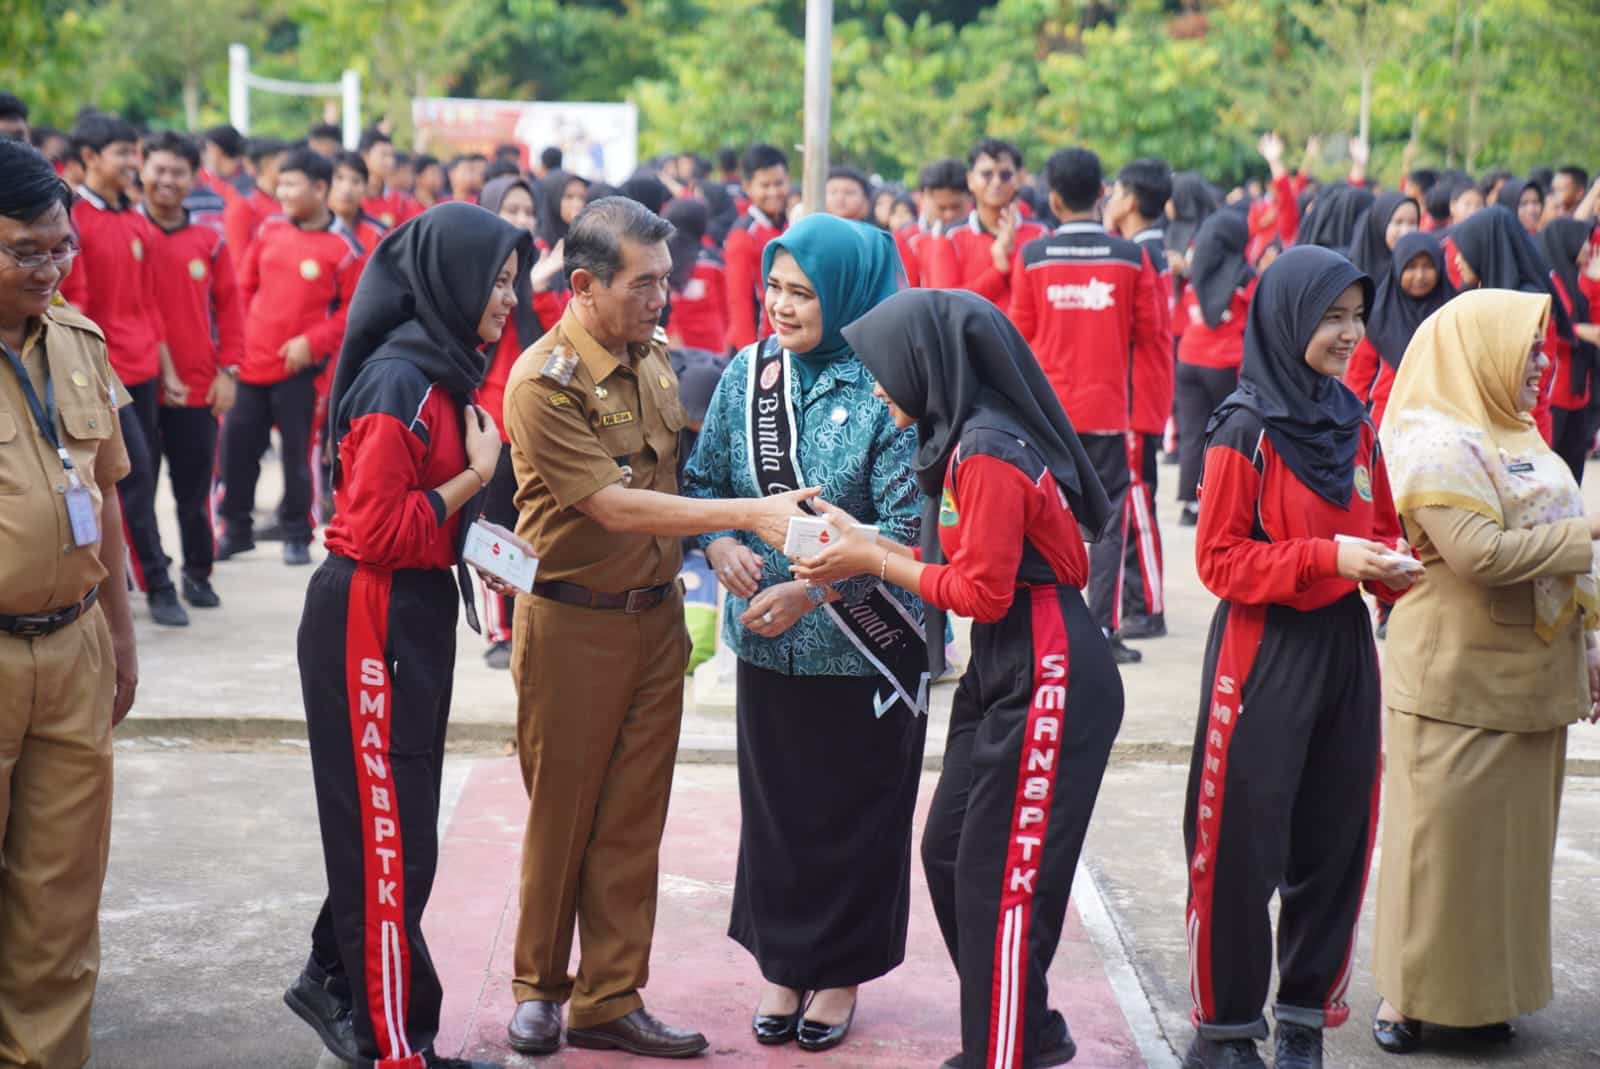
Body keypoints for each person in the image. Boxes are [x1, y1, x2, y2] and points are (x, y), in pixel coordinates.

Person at [500, 197, 816, 1059]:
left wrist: (716, 535)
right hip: (571, 624)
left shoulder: (655, 360)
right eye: (644, 284)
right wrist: (748, 514)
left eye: (666, 282)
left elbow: (677, 474)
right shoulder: (543, 379)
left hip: (653, 624)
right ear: (585, 284)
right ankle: (538, 988)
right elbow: (611, 503)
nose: (661, 299)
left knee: (635, 821)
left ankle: (609, 997)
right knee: (561, 817)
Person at [790, 288, 1123, 1069]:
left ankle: (1003, 1050)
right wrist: (867, 536)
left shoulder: (986, 450)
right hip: (1006, 662)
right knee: (948, 852)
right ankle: (1028, 1026)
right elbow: (969, 563)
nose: (876, 388)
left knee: (998, 885)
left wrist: (869, 559)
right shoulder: (964, 440)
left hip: (1050, 667)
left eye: (883, 371)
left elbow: (981, 591)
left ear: (925, 365)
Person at [285, 201, 529, 1069]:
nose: (507, 299)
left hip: (413, 614)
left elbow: (418, 524)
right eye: (495, 282)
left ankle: (331, 975)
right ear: (449, 281)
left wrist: (489, 548)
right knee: (388, 840)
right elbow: (374, 530)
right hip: (368, 614)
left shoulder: (445, 373)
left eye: (511, 281)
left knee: (404, 835)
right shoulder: (400, 382)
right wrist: (475, 477)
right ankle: (397, 1046)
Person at [680, 213, 922, 1052]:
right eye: (774, 287)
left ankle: (843, 970)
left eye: (803, 292)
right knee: (779, 811)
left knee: (855, 811)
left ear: (848, 294)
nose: (781, 306)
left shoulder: (892, 385)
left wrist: (807, 595)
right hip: (767, 646)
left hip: (865, 647)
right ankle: (785, 961)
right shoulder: (748, 373)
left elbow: (908, 528)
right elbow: (703, 479)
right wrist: (715, 543)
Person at [1182, 246, 1415, 1069]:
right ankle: (1225, 1031)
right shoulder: (1244, 426)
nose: (1350, 333)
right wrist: (1328, 558)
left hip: (1345, 647)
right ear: (1287, 320)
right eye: (1332, 317)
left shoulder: (1353, 419)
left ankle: (1305, 1021)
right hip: (1262, 649)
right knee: (1241, 846)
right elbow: (1218, 561)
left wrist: (1392, 569)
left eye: (1358, 315)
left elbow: (1379, 525)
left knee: (1335, 838)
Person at [1371, 288, 1600, 1055]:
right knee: (1436, 855)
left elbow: (1562, 570)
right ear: (1478, 350)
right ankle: (1407, 1000)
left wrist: (1591, 648)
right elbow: (1478, 556)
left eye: (1541, 350)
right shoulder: (1434, 439)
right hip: (1456, 681)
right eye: (1528, 349)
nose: (1542, 364)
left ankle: (1486, 998)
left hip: (1533, 686)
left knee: (1510, 860)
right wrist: (1587, 532)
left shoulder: (1520, 435)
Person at [0, 137, 139, 1069]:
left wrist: (122, 639)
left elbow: (111, 493)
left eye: (62, 249)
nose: (50, 268)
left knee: (60, 889)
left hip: (76, 643)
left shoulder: (77, 343)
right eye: (25, 251)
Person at [1009, 147, 1165, 665]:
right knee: (1108, 524)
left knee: (1043, 519)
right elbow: (1152, 340)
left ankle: (1049, 627)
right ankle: (1101, 629)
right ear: (1102, 194)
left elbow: (1019, 342)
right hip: (1109, 415)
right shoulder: (1131, 257)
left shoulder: (1031, 257)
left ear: (1052, 199)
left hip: (1046, 416)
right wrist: (1148, 418)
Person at [58, 112, 190, 626]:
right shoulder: (73, 221)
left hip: (142, 368)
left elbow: (149, 302)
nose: (134, 163)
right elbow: (77, 304)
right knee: (126, 473)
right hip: (101, 372)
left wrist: (168, 368)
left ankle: (131, 573)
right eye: (123, 154)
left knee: (142, 475)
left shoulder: (135, 219)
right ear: (90, 158)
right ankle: (157, 582)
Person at [217, 148, 363, 566]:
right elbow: (243, 289)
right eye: (280, 183)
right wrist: (239, 346)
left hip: (301, 371)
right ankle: (235, 529)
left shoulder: (344, 247)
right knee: (237, 450)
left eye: (290, 184)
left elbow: (352, 313)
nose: (281, 192)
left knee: (298, 455)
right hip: (252, 364)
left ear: (319, 189)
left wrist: (312, 343)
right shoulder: (269, 231)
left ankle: (297, 533)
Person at [137, 131, 244, 611]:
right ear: (143, 168)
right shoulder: (131, 233)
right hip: (136, 381)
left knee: (194, 491)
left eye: (177, 172)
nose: (167, 180)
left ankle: (197, 573)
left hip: (199, 385)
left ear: (193, 177)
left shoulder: (210, 240)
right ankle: (150, 575)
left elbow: (231, 309)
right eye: (159, 169)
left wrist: (230, 371)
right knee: (136, 489)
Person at [474, 175, 565, 669]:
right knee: (494, 526)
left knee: (532, 526)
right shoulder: (481, 273)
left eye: (528, 210)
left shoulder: (547, 271)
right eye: (510, 208)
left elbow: (558, 338)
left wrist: (544, 285)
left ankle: (529, 619)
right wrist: (527, 285)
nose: (522, 218)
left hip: (535, 423)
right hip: (490, 421)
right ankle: (499, 630)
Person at [1105, 156, 1175, 640]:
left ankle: (1147, 604)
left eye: (1114, 192)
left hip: (1134, 393)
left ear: (1128, 201)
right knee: (1134, 495)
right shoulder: (1148, 248)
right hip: (1140, 390)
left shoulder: (1139, 255)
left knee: (1136, 500)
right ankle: (1139, 598)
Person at [1449, 205, 1573, 443]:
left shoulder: (1526, 303)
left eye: (1463, 252)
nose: (1457, 261)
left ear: (1484, 249)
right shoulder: (1487, 294)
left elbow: (1534, 382)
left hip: (1524, 431)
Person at [1175, 210, 1255, 528]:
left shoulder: (1196, 270)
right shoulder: (1244, 275)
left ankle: (1188, 504)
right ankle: (1221, 499)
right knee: (1226, 435)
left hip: (1188, 359)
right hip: (1224, 363)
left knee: (1192, 434)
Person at [1342, 231, 1455, 430]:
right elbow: (1357, 381)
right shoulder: (1377, 319)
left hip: (1444, 425)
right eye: (1410, 267)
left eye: (1428, 266)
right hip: (1387, 424)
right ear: (1397, 268)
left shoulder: (1453, 314)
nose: (1419, 276)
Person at [949, 138, 1044, 313]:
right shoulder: (950, 238)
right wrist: (999, 269)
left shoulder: (1041, 235)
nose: (996, 182)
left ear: (1019, 179)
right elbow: (948, 305)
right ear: (970, 180)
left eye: (1005, 175)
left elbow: (1044, 301)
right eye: (986, 174)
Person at [1538, 218, 1600, 479]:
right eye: (1583, 241)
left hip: (1578, 391)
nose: (1588, 248)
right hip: (1555, 393)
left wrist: (1594, 283)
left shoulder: (1578, 280)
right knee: (1552, 468)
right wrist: (1578, 332)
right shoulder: (1551, 280)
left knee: (1574, 470)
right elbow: (1551, 326)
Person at [724, 143, 790, 351]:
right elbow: (739, 304)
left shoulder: (790, 225)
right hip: (757, 346)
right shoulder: (743, 235)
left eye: (779, 183)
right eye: (765, 185)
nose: (773, 192)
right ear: (747, 186)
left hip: (784, 341)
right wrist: (750, 357)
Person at [662, 197, 726, 356]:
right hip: (713, 352)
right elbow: (725, 310)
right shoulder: (714, 261)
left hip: (674, 350)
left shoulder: (661, 261)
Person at [223, 137, 288, 273]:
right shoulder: (244, 206)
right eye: (284, 164)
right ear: (265, 165)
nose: (290, 169)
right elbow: (237, 261)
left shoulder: (289, 203)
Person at [1346, 192, 1420, 282]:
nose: (1406, 231)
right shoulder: (1350, 274)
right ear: (1380, 224)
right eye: (1398, 222)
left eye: (1412, 223)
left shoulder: (1422, 272)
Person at [360, 128, 422, 229]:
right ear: (365, 156)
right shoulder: (352, 198)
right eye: (384, 155)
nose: (390, 162)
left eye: (392, 156)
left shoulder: (400, 201)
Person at [330, 152, 389, 254]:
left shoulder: (380, 233)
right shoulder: (309, 229)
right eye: (339, 178)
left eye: (356, 181)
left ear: (366, 187)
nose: (347, 188)